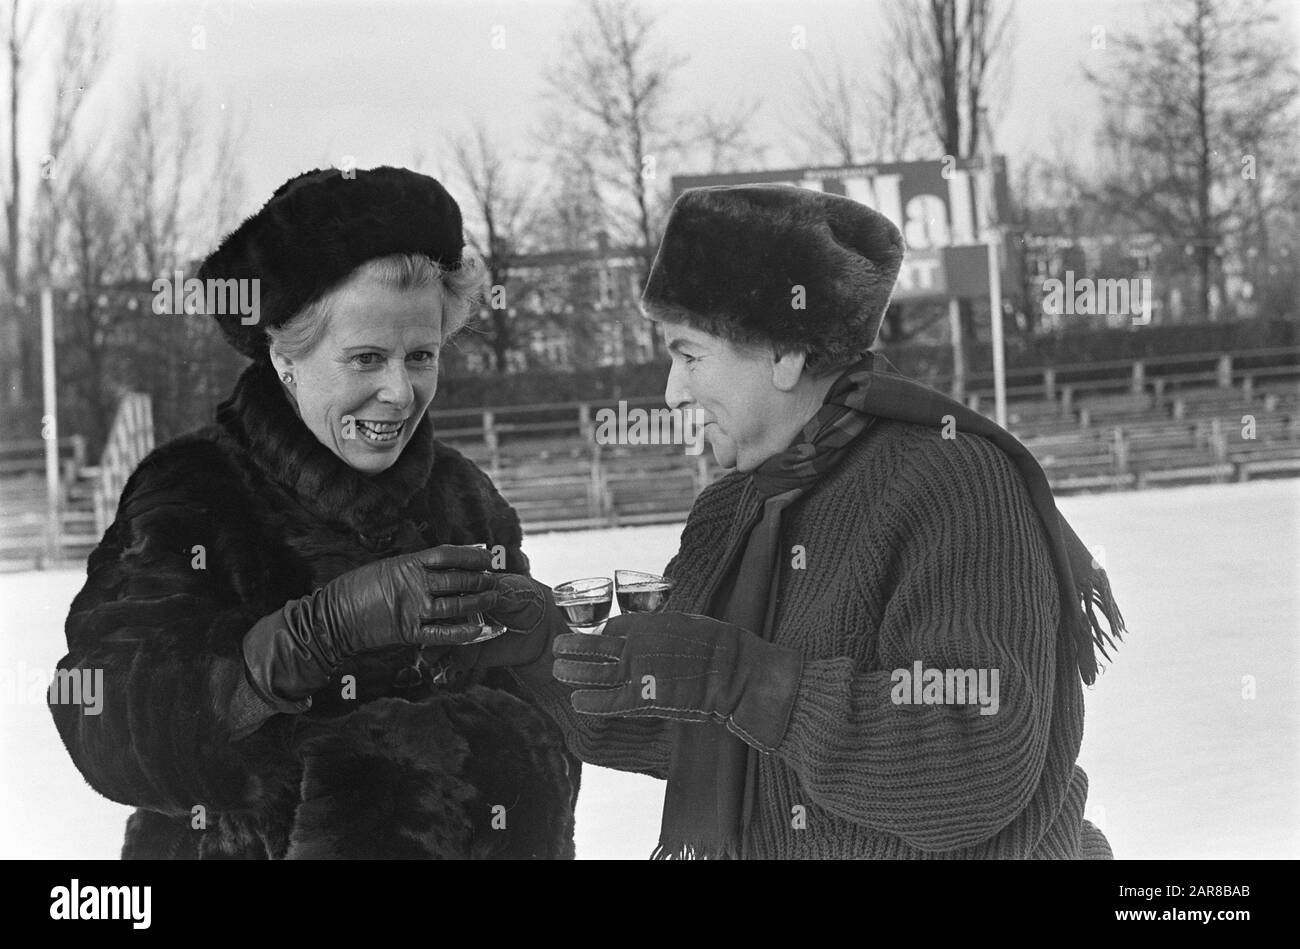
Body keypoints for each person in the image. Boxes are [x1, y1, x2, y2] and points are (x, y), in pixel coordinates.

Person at [501, 184, 1126, 859]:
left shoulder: (951, 482)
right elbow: (692, 732)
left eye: (689, 355)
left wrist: (750, 679)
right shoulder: (735, 504)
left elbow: (975, 758)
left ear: (785, 354)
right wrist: (544, 646)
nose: (672, 391)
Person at [48, 166, 575, 859]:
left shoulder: (463, 498)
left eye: (421, 354)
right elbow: (100, 713)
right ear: (285, 354)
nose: (399, 391)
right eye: (365, 358)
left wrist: (549, 663)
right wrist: (303, 641)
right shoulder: (194, 491)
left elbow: (542, 737)